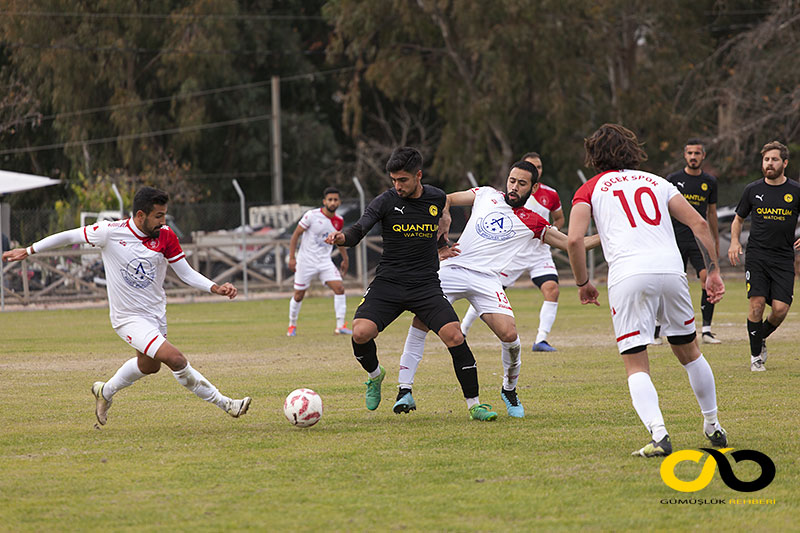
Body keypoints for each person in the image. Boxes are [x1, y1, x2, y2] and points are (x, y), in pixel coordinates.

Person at [2, 187, 251, 426]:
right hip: (127, 318)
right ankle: (227, 403)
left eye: (164, 215)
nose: (163, 222)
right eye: (158, 216)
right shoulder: (109, 232)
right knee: (175, 359)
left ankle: (104, 391)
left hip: (155, 316)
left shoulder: (165, 236)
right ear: (140, 215)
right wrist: (29, 250)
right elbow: (69, 236)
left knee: (149, 366)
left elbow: (185, 272)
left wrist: (215, 287)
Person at [393, 160, 600, 418]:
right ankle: (404, 389)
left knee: (510, 336)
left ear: (534, 188)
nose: (514, 187)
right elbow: (445, 198)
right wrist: (444, 215)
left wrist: (609, 232)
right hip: (453, 268)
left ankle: (509, 389)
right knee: (422, 319)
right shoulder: (486, 194)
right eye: (512, 181)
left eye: (521, 184)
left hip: (487, 280)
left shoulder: (533, 222)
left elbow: (574, 243)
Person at [567, 123, 727, 457]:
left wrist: (583, 283)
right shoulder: (659, 181)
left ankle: (659, 434)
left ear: (594, 156)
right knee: (689, 350)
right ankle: (712, 424)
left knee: (635, 362)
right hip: (671, 271)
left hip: (628, 274)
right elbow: (698, 223)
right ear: (632, 150)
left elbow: (574, 240)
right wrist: (713, 271)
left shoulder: (591, 189)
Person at [325, 147, 498, 421]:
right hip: (389, 282)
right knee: (360, 333)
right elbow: (359, 229)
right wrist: (341, 238)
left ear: (418, 176)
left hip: (425, 285)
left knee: (455, 335)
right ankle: (375, 376)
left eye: (403, 180)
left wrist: (442, 245)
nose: (397, 185)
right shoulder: (385, 201)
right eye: (393, 180)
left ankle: (474, 404)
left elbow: (440, 223)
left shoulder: (437, 198)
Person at [460, 152, 565, 352]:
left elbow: (559, 218)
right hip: (513, 255)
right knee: (485, 292)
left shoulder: (550, 194)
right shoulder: (510, 196)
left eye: (540, 167)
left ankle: (541, 340)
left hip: (539, 254)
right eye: (532, 165)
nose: (538, 169)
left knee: (552, 289)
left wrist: (552, 234)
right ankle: (463, 329)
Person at [728, 141, 800, 372]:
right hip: (757, 255)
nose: (769, 164)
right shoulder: (752, 190)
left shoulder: (795, 191)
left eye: (774, 159)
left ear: (785, 163)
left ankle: (759, 338)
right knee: (756, 304)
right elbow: (738, 219)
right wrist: (734, 241)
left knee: (780, 310)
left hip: (783, 258)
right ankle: (755, 357)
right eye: (766, 159)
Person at [654, 139, 722, 345]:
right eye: (690, 153)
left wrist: (715, 240)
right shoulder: (673, 179)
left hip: (698, 240)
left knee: (707, 279)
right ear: (685, 156)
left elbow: (711, 214)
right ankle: (656, 330)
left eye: (697, 153)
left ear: (703, 156)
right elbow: (662, 209)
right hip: (674, 239)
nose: (693, 157)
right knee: (666, 283)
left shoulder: (709, 182)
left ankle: (707, 330)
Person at [286, 187, 351, 336]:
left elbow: (339, 241)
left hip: (324, 261)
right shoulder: (311, 215)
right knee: (299, 295)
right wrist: (292, 257)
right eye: (330, 200)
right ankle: (292, 325)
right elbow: (295, 235)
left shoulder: (339, 221)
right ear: (324, 201)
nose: (333, 202)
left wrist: (345, 259)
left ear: (339, 202)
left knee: (339, 288)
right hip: (305, 261)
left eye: (335, 200)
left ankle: (340, 326)